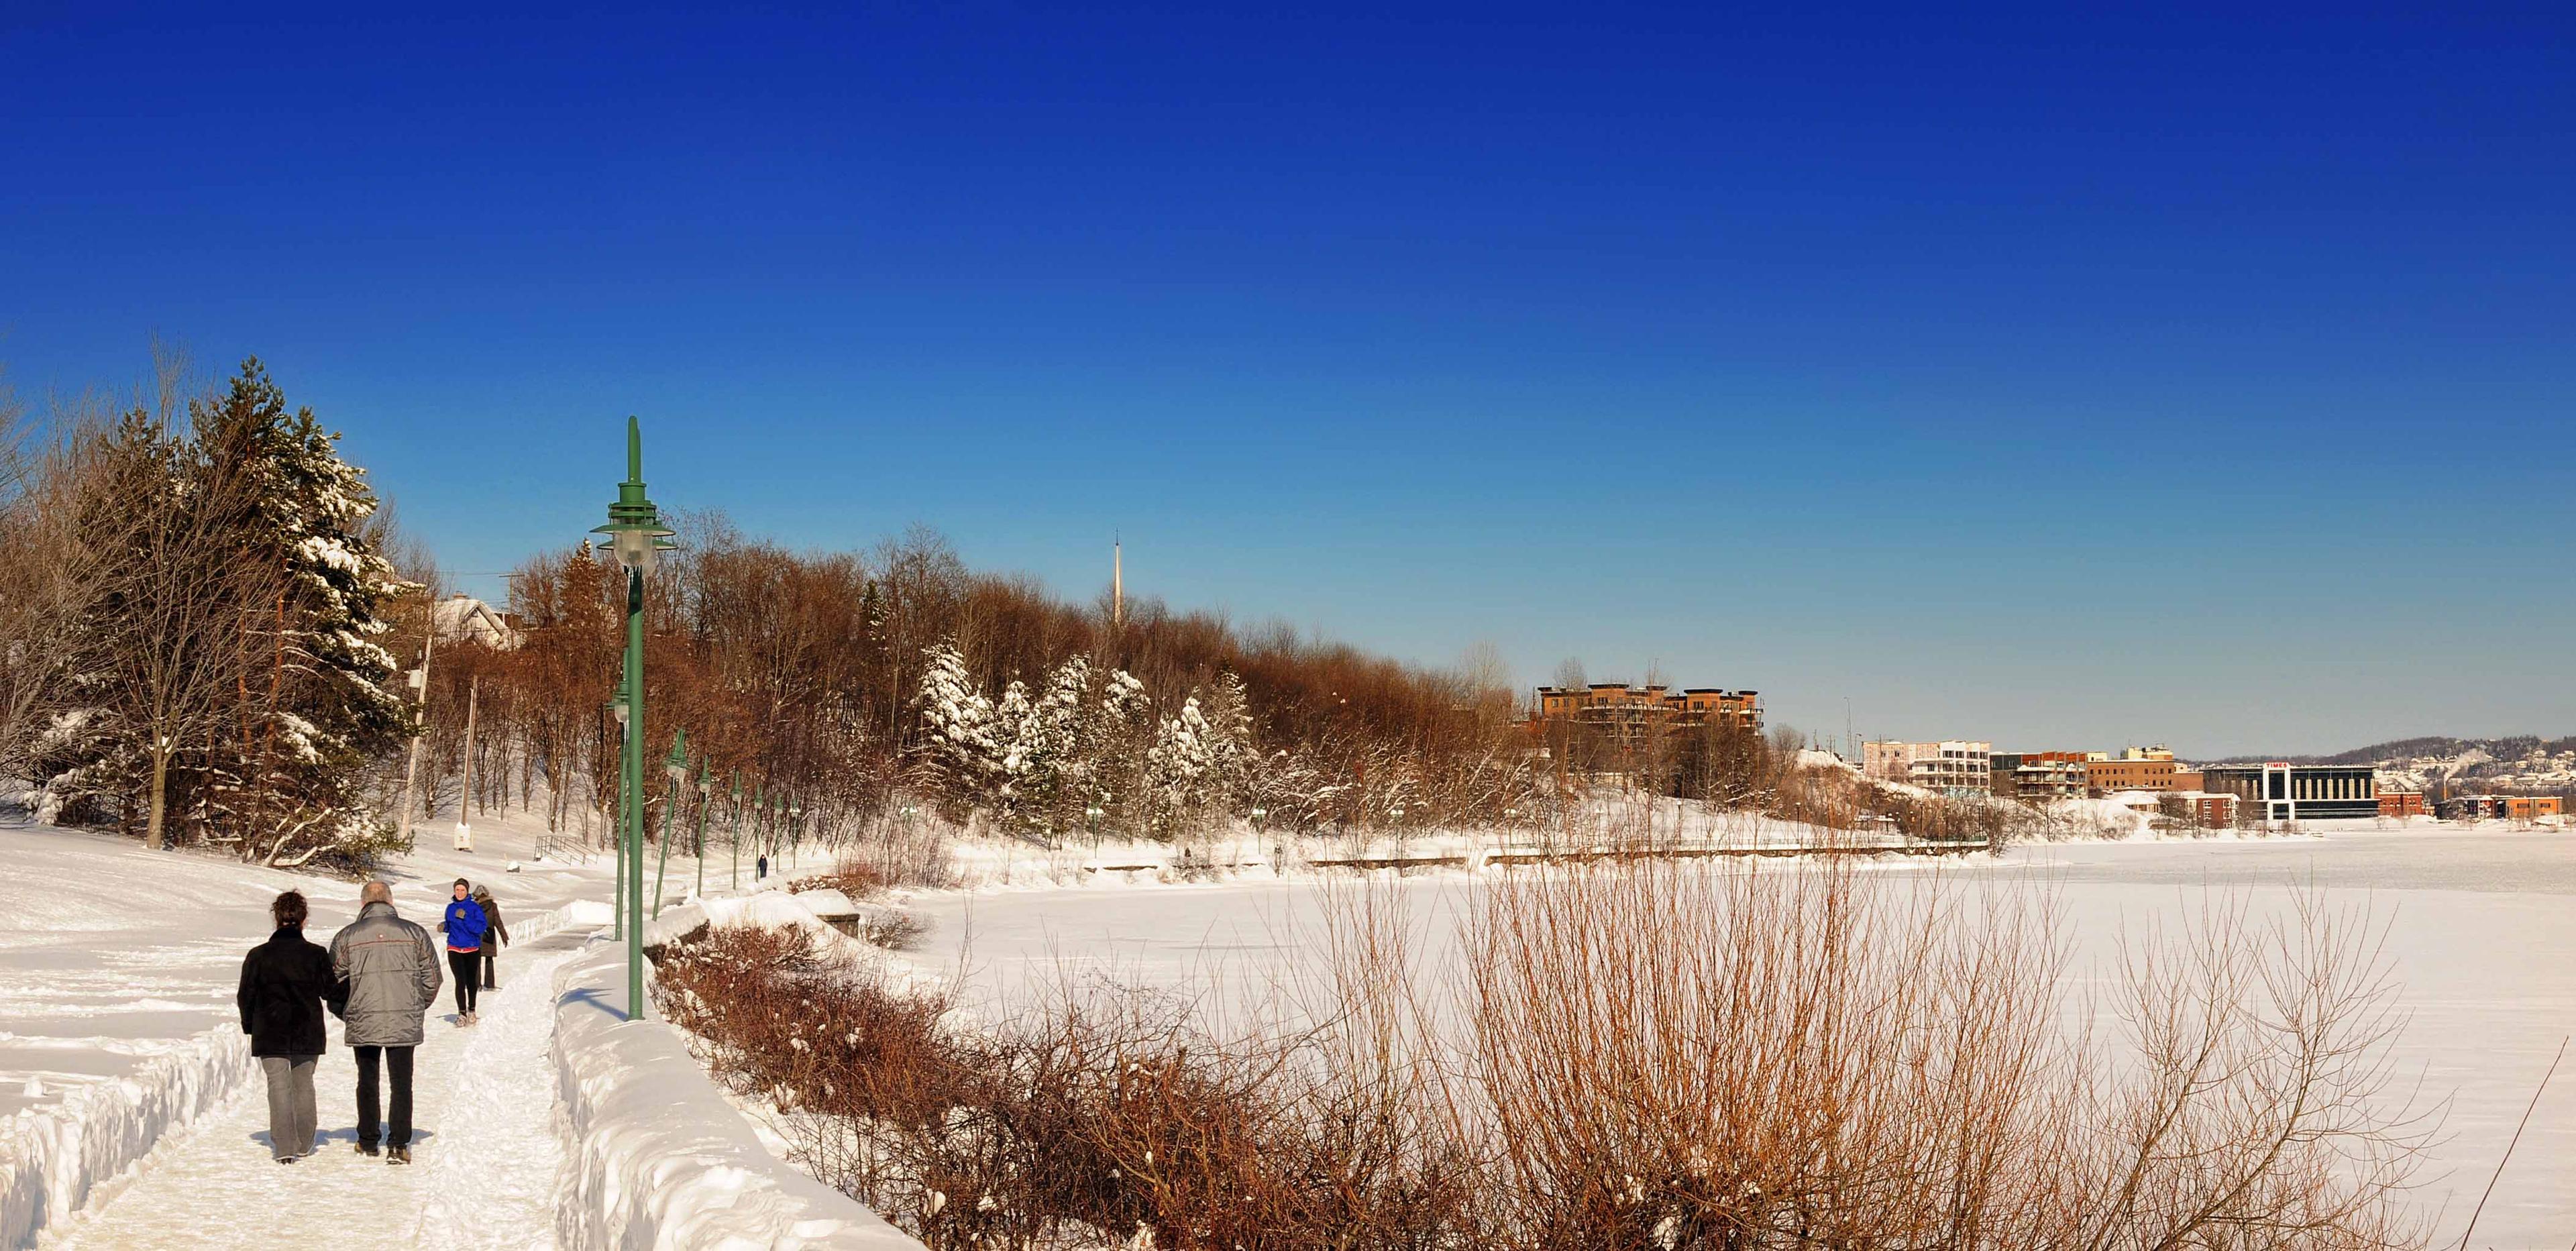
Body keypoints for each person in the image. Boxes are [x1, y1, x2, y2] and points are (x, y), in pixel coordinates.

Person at [329, 880, 440, 1164]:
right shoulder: (415, 933)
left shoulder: (347, 936)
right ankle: (399, 1144)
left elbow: (332, 982)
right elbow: (432, 979)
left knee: (367, 1080)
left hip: (363, 1018)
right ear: (391, 902)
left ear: (363, 903)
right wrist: (416, 1004)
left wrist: (348, 1010)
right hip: (404, 1017)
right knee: (402, 1082)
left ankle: (368, 1139)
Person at [237, 889, 332, 1163]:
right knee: (303, 1084)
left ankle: (285, 1148)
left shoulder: (257, 955)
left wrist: (249, 1025)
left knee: (278, 1085)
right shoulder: (315, 954)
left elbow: (246, 995)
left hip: (270, 1028)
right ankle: (304, 1141)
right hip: (307, 1028)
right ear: (304, 920)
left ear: (276, 919)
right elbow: (329, 991)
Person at [438, 878, 488, 1024]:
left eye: (462, 890)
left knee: (471, 981)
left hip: (471, 948)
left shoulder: (474, 908)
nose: (459, 893)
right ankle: (462, 1014)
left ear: (467, 891)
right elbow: (450, 925)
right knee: (460, 981)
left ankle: (471, 1010)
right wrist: (444, 927)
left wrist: (466, 918)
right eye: (457, 890)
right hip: (454, 947)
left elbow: (480, 928)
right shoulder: (450, 908)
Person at [472, 884, 510, 991]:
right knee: (489, 960)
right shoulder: (493, 906)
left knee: (476, 961)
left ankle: (476, 985)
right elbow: (498, 922)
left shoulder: (474, 907)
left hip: (477, 936)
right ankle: (489, 984)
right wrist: (504, 936)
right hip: (489, 935)